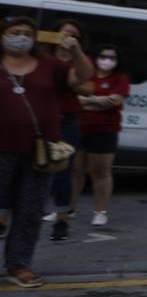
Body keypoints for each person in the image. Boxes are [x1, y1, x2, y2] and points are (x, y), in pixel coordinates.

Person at [1, 15, 91, 286]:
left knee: (30, 209)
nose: (21, 37)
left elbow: (84, 78)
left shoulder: (50, 65)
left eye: (27, 32)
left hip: (39, 151)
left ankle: (19, 264)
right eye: (15, 31)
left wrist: (75, 50)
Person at [43, 18, 88, 242]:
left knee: (63, 171)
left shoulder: (78, 62)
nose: (68, 37)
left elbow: (87, 85)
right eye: (65, 32)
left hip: (67, 119)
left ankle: (61, 219)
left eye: (74, 35)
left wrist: (74, 81)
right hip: (40, 118)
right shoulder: (42, 58)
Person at [73, 43, 128, 227]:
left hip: (105, 131)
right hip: (79, 128)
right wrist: (98, 101)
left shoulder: (120, 78)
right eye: (103, 56)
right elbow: (75, 99)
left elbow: (114, 100)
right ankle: (67, 209)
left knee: (100, 173)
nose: (106, 60)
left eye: (111, 57)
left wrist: (88, 101)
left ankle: (100, 212)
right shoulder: (86, 75)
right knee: (75, 171)